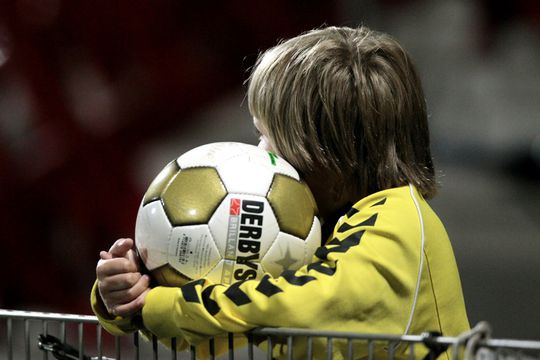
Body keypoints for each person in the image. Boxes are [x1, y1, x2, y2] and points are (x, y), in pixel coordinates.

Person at [91, 25, 469, 359]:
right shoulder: (316, 227)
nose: (261, 153)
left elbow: (301, 308)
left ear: (331, 152)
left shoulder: (397, 221)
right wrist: (131, 294)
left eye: (272, 138)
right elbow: (214, 332)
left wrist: (160, 305)